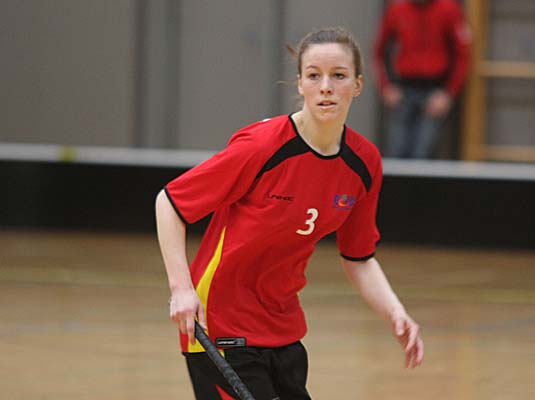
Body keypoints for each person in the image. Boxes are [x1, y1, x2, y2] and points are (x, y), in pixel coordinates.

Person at [155, 26, 424, 400]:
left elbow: (359, 258)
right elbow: (169, 203)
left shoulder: (364, 163)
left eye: (339, 76)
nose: (326, 87)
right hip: (219, 324)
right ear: (300, 84)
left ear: (358, 85)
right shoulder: (262, 146)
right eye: (314, 76)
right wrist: (181, 289)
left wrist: (395, 313)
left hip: (283, 327)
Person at [373, 0, 471, 158]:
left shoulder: (449, 9)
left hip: (435, 91)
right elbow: (379, 52)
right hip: (403, 90)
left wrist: (448, 94)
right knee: (396, 150)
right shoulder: (397, 9)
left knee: (424, 152)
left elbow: (462, 56)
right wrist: (386, 87)